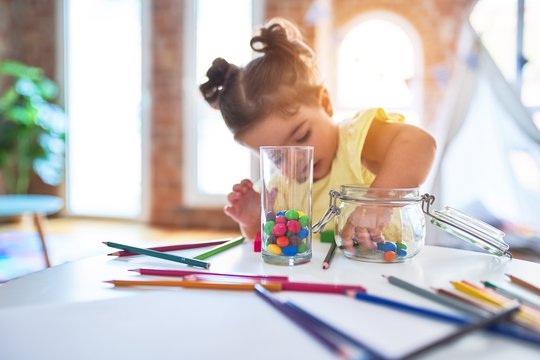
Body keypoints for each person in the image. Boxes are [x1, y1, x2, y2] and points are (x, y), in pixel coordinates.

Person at [199, 17, 436, 251]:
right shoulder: (279, 189)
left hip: (387, 275)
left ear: (325, 102)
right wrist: (253, 221)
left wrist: (377, 201)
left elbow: (419, 143)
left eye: (302, 136)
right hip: (319, 286)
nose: (296, 158)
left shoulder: (354, 141)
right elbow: (267, 245)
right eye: (278, 157)